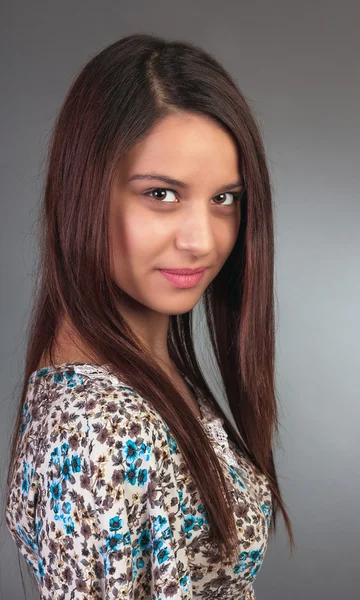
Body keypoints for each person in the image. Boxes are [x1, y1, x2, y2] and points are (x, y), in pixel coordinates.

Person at [4, 33, 294, 599]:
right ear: (83, 193)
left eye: (225, 199)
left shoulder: (145, 375)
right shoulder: (101, 429)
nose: (202, 241)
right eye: (161, 194)